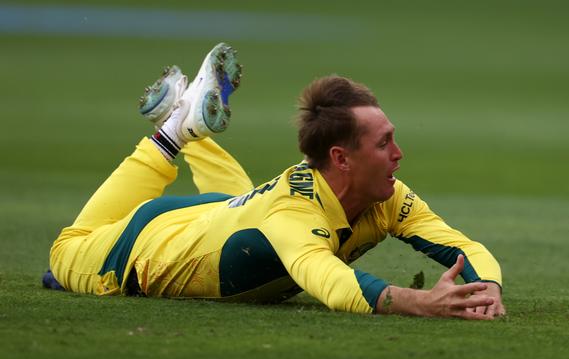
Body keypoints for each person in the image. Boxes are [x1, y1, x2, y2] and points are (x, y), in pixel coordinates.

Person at [44, 43, 505, 319]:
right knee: (66, 250)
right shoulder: (294, 216)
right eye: (384, 143)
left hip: (215, 214)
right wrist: (423, 302)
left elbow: (464, 247)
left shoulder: (385, 197)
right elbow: (333, 284)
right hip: (138, 249)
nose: (399, 155)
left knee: (245, 204)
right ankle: (172, 131)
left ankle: (185, 124)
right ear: (341, 159)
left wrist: (487, 290)